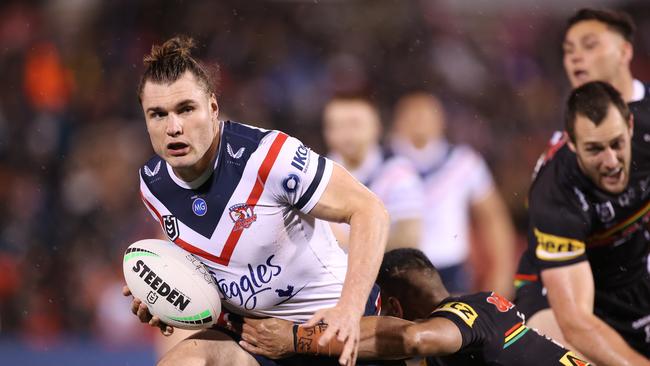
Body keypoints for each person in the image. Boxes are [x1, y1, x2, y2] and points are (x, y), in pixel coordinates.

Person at [122, 36, 390, 366]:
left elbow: (369, 209)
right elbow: (207, 276)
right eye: (158, 115)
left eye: (186, 109)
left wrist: (349, 308)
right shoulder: (153, 186)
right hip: (255, 343)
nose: (173, 127)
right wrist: (167, 300)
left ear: (213, 108)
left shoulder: (269, 157)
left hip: (329, 331)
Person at [514, 8, 650, 364]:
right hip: (559, 293)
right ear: (574, 143)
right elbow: (575, 320)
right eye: (568, 48)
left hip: (631, 276)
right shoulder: (557, 182)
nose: (574, 55)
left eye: (589, 45)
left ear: (624, 52)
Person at [233, 248, 590, 366]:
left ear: (393, 307)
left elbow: (414, 339)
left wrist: (298, 339)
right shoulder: (485, 310)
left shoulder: (471, 312)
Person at [390, 93, 515, 296]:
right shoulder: (383, 164)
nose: (419, 121)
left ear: (441, 121)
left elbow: (493, 216)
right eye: (412, 115)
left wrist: (502, 271)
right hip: (396, 269)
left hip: (451, 271)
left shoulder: (464, 162)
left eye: (425, 115)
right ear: (397, 122)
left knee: (452, 326)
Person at [322, 95, 424, 251]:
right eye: (337, 126)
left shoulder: (398, 172)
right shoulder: (316, 173)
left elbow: (408, 240)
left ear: (376, 127)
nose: (347, 134)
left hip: (385, 272)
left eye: (355, 124)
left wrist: (346, 247)